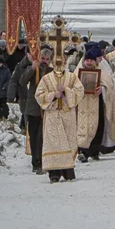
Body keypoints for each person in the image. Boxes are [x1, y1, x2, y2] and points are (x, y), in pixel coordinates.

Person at [36, 46, 84, 182]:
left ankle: (68, 171)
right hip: (52, 114)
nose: (58, 65)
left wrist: (66, 91)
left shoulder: (72, 77)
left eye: (61, 62)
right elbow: (39, 95)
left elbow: (80, 91)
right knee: (54, 143)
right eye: (56, 62)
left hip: (67, 114)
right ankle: (54, 173)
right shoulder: (46, 79)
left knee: (68, 142)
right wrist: (53, 95)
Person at [9, 47, 49, 174]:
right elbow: (22, 81)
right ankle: (36, 162)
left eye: (47, 59)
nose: (45, 61)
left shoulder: (51, 71)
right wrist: (32, 68)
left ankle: (43, 161)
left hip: (47, 108)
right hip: (33, 107)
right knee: (34, 136)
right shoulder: (33, 69)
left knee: (43, 136)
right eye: (43, 58)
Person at [76, 44, 115, 161]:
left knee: (98, 126)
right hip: (82, 104)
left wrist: (102, 89)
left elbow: (109, 85)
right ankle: (83, 152)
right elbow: (72, 85)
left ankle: (94, 151)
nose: (89, 63)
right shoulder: (78, 71)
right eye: (87, 60)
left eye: (91, 60)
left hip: (97, 102)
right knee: (82, 127)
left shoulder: (101, 70)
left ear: (95, 61)